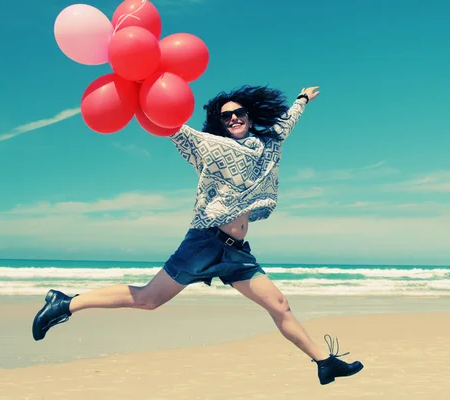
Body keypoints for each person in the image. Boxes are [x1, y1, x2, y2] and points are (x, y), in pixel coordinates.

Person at [31, 85, 364, 385]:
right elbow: (175, 129)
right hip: (205, 241)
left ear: (248, 115)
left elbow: (285, 124)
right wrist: (141, 99)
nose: (234, 118)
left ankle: (324, 362)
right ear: (220, 123)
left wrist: (302, 100)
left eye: (239, 113)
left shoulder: (267, 145)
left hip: (236, 252)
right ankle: (66, 303)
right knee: (150, 299)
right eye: (226, 116)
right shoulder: (211, 147)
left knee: (279, 304)